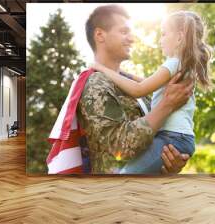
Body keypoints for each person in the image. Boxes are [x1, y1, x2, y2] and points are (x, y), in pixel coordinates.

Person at [77, 5, 194, 174]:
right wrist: (167, 105)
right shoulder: (96, 83)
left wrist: (170, 164)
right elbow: (119, 148)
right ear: (100, 35)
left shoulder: (133, 83)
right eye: (124, 32)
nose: (132, 38)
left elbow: (158, 143)